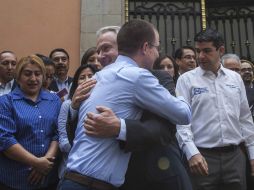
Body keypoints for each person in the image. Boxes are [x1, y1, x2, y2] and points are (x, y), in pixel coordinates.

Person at [60, 19, 191, 190]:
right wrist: (74, 108)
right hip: (89, 183)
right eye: (156, 47)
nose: (99, 56)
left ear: (121, 46)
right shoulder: (101, 80)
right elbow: (184, 114)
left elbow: (163, 129)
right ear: (145, 47)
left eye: (106, 48)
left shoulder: (104, 78)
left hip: (147, 178)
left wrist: (120, 128)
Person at [176, 28, 254, 190]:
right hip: (202, 158)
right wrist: (192, 153)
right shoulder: (186, 80)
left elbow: (245, 119)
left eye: (207, 51)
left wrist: (252, 153)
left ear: (221, 50)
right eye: (198, 51)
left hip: (235, 157)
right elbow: (181, 121)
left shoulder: (235, 78)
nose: (200, 56)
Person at [0, 55, 61, 189]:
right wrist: (36, 162)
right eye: (27, 74)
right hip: (14, 180)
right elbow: (5, 139)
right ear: (18, 77)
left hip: (47, 178)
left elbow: (57, 134)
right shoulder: (6, 102)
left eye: (37, 74)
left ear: (43, 76)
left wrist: (45, 163)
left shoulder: (54, 101)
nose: (33, 79)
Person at [57, 64, 97, 186]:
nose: (86, 80)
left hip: (96, 173)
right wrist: (85, 150)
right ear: (76, 83)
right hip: (70, 172)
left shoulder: (101, 103)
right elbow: (63, 142)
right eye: (82, 77)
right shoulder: (67, 105)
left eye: (90, 76)